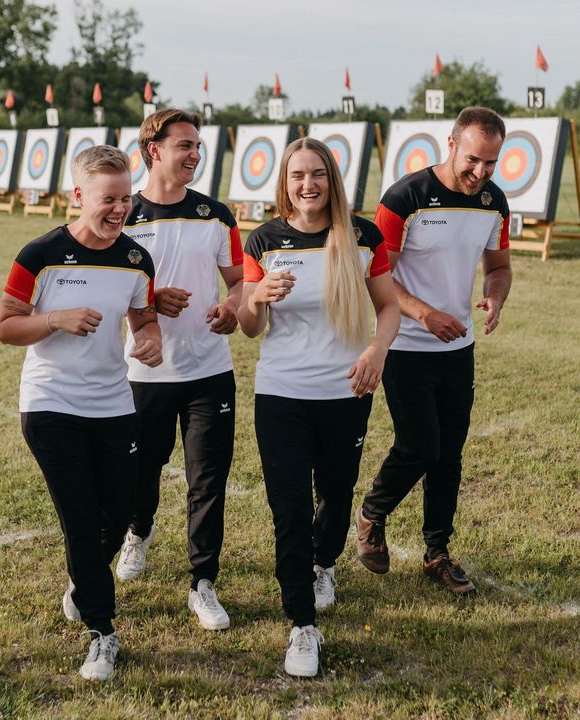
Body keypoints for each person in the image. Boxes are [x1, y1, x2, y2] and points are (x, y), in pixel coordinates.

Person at [0, 144, 162, 682]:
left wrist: (151, 338)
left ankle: (82, 580)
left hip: (113, 401)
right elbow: (6, 327)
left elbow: (143, 315)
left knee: (122, 508)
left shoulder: (137, 258)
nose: (120, 210)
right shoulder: (39, 254)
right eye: (108, 200)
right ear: (78, 195)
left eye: (127, 198)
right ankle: (102, 631)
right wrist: (56, 319)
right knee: (82, 516)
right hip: (51, 404)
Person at [238, 137, 399, 678]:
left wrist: (377, 350)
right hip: (281, 393)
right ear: (284, 183)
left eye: (318, 175)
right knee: (288, 509)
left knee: (335, 494)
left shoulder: (362, 237)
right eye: (297, 176)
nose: (307, 185)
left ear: (332, 179)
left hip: (346, 392)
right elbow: (250, 327)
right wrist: (256, 298)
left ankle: (324, 563)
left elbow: (389, 308)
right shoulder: (263, 241)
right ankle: (301, 625)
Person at [356, 106, 512, 595]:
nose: (480, 172)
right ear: (451, 143)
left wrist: (496, 294)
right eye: (472, 160)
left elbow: (500, 267)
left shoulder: (493, 201)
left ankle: (437, 553)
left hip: (457, 347)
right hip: (404, 342)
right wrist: (424, 314)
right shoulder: (406, 197)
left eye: (490, 163)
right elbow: (376, 276)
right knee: (421, 445)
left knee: (449, 454)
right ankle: (371, 514)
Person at [114, 109, 243, 632]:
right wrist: (145, 301)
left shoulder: (216, 214)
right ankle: (138, 534)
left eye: (197, 146)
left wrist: (233, 306)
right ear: (153, 150)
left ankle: (203, 582)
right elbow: (108, 283)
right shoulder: (124, 215)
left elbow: (239, 280)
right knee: (140, 474)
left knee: (207, 479)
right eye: (184, 145)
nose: (194, 154)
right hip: (145, 375)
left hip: (209, 371)